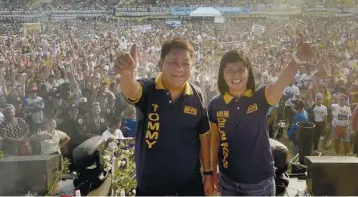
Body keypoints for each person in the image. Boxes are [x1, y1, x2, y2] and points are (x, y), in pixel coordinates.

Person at [208, 33, 313, 196]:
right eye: (229, 70)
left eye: (240, 70)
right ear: (222, 74)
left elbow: (280, 83)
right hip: (227, 182)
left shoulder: (260, 97)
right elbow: (214, 142)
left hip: (259, 184)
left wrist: (297, 60)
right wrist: (212, 171)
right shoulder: (215, 104)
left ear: (248, 72)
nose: (236, 75)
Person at [114, 38, 213, 196]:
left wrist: (208, 174)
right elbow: (132, 90)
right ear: (161, 65)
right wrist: (127, 74)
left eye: (186, 63)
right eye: (173, 62)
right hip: (151, 187)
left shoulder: (197, 95)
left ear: (193, 67)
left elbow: (204, 137)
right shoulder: (149, 88)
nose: (179, 68)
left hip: (189, 187)